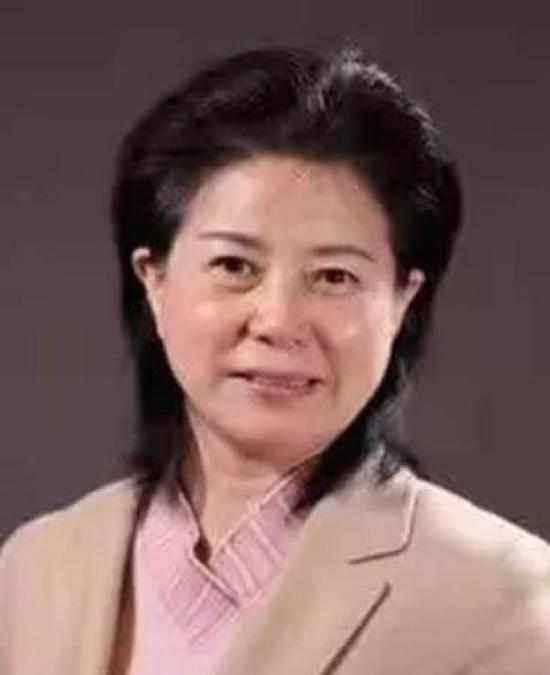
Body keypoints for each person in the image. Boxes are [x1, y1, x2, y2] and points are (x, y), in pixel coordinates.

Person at [1, 47, 549, 675]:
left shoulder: (506, 599)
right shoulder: (34, 569)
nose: (279, 322)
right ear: (154, 279)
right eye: (234, 266)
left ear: (404, 299)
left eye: (334, 276)